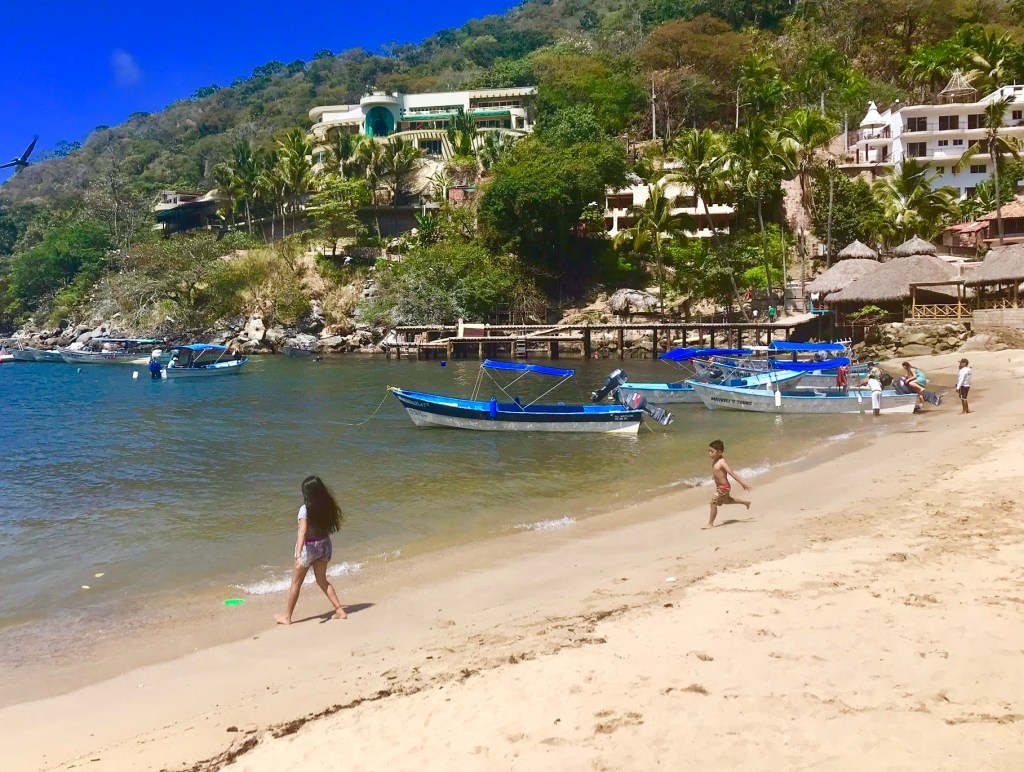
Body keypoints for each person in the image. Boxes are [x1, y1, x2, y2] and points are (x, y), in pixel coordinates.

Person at [275, 475, 347, 625]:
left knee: (296, 583)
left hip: (309, 548)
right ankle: (339, 610)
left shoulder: (305, 509)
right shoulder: (327, 505)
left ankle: (287, 617)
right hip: (324, 545)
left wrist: (298, 555)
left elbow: (302, 532)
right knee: (322, 581)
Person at [705, 440, 752, 530]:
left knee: (713, 503)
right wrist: (714, 475)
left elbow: (732, 473)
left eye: (712, 451)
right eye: (709, 451)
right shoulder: (715, 460)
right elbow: (717, 470)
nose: (709, 453)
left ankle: (710, 523)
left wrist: (743, 484)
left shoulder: (722, 462)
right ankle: (746, 503)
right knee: (727, 501)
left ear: (719, 452)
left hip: (724, 488)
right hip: (719, 487)